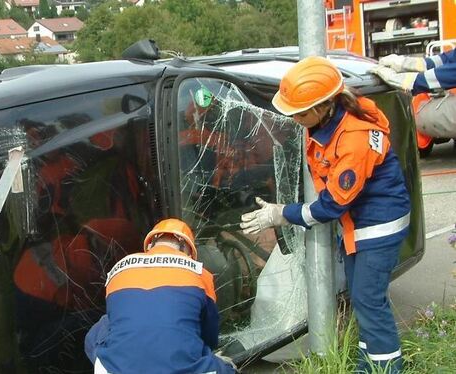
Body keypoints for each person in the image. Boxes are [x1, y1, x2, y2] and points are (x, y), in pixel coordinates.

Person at [240, 56, 410, 373]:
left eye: (299, 113)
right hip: (360, 225)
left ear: (322, 106)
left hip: (377, 228)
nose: (294, 119)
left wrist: (281, 214)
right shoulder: (330, 120)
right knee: (364, 302)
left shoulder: (354, 139)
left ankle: (387, 368)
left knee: (370, 302)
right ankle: (368, 365)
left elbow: (331, 205)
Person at [85, 218, 237, 374]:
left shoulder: (119, 268)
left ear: (150, 244)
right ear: (186, 249)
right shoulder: (200, 274)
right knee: (227, 369)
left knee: (105, 323)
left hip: (114, 369)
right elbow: (209, 334)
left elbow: (118, 314)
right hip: (183, 369)